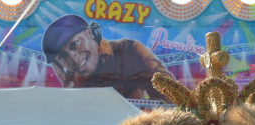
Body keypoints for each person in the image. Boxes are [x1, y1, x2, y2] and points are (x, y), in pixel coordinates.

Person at [42, 14, 171, 101]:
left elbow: (171, 94)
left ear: (91, 32)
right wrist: (69, 90)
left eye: (75, 44)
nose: (72, 58)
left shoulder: (131, 51)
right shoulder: (73, 82)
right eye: (62, 57)